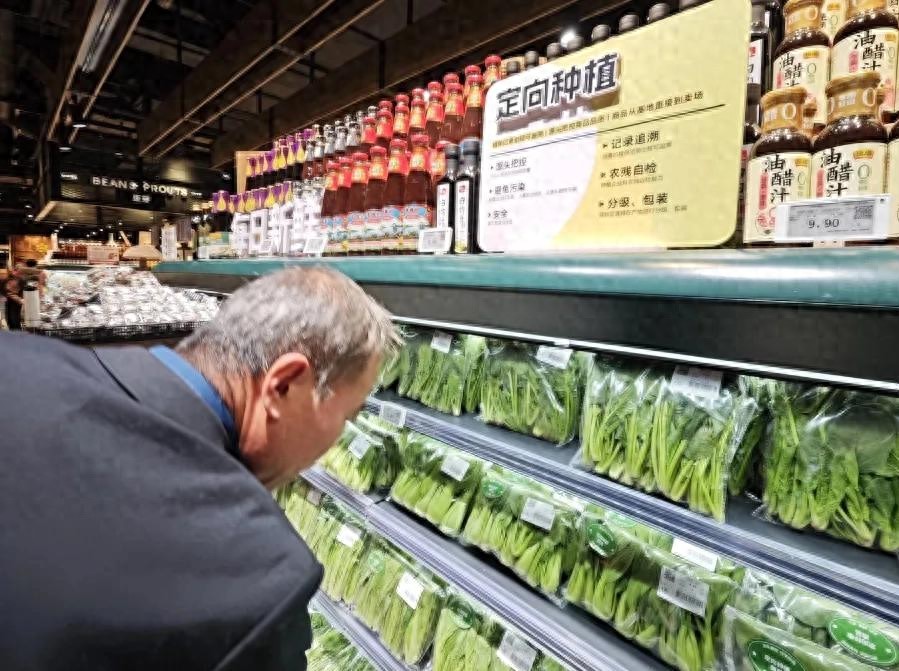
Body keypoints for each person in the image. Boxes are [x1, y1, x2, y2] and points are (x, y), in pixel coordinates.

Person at [0, 267, 398, 670]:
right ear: (283, 385)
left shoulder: (16, 360)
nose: (338, 437)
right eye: (349, 414)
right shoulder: (259, 586)